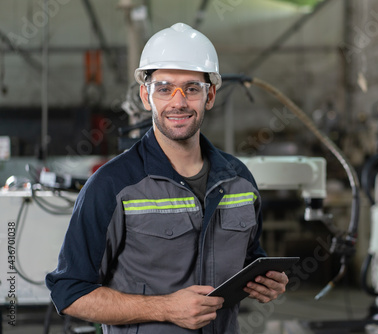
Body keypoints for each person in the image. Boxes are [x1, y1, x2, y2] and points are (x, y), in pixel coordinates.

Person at [46, 22, 289, 333]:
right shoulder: (113, 186)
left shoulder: (239, 180)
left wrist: (265, 281)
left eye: (191, 88)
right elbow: (69, 292)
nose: (178, 102)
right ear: (146, 97)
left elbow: (250, 260)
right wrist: (165, 308)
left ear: (210, 95)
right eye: (164, 88)